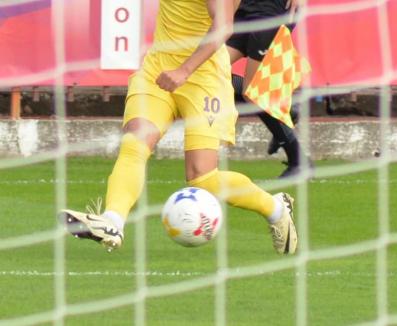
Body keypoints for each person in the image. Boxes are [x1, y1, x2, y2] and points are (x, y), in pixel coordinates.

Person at [58, 0, 297, 255]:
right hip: (157, 70)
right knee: (134, 145)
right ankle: (112, 221)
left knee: (202, 178)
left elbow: (224, 26)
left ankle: (276, 208)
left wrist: (184, 70)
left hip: (204, 80)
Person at [226, 0, 310, 179]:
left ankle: (299, 161)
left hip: (271, 9)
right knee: (208, 72)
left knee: (253, 94)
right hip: (243, 7)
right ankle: (283, 108)